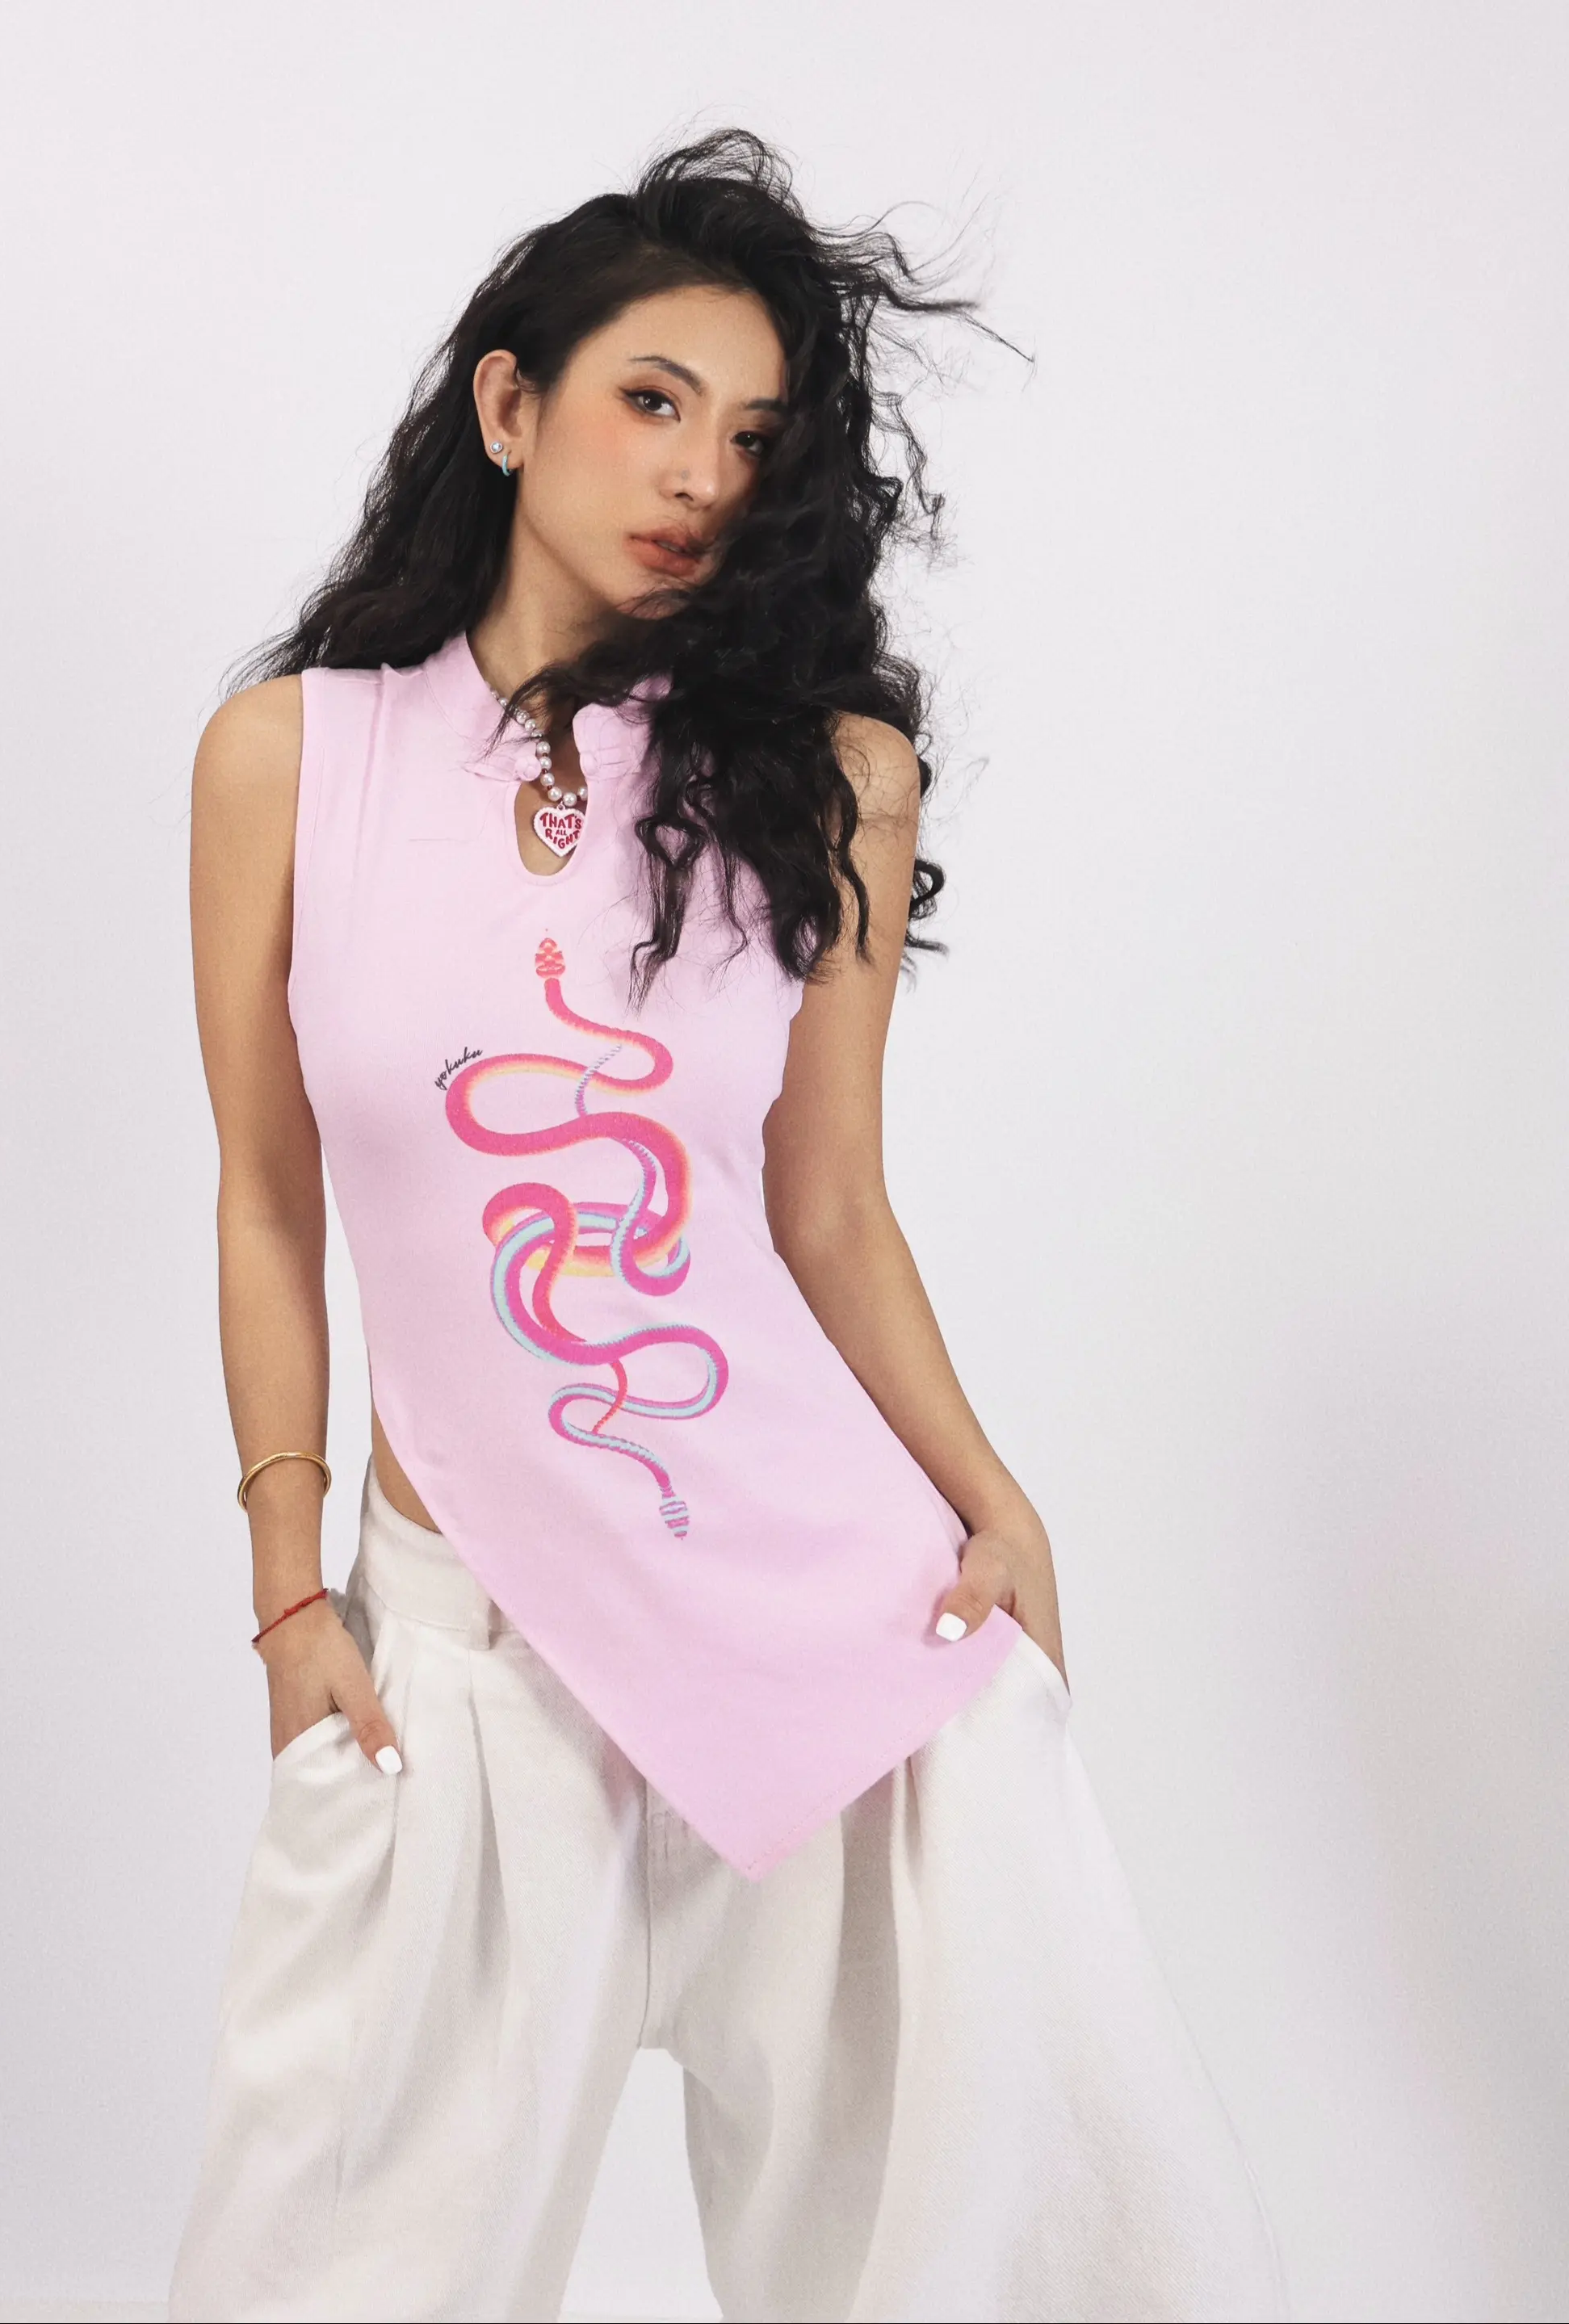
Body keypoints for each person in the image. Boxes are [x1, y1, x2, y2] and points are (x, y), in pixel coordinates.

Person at [168, 128, 1288, 2324]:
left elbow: (831, 1204)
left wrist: (995, 1502)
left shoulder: (827, 775)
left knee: (982, 2254)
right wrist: (291, 1586)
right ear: (511, 406)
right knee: (333, 2257)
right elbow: (265, 1198)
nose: (700, 473)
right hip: (468, 1652)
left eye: (754, 437)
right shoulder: (292, 764)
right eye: (653, 400)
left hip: (823, 1614)